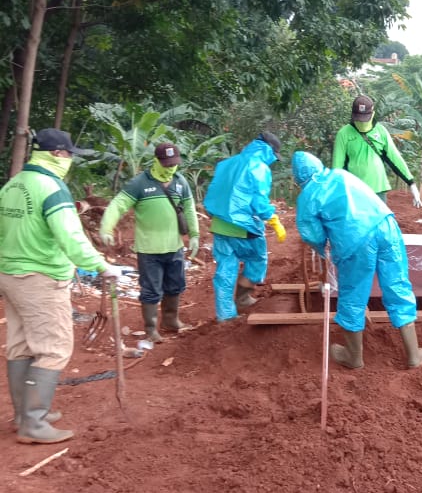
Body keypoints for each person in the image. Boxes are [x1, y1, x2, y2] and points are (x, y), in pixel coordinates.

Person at [0, 128, 122, 443]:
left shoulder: (13, 185)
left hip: (11, 275)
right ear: (57, 154)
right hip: (41, 277)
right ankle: (34, 424)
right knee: (54, 348)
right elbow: (70, 236)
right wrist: (102, 266)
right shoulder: (51, 188)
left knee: (21, 345)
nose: (69, 160)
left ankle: (24, 413)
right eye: (69, 154)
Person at [291, 151, 422, 369]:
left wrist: (323, 248)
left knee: (353, 295)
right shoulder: (340, 175)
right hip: (387, 226)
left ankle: (354, 358)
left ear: (297, 178)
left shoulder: (308, 195)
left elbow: (312, 235)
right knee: (398, 286)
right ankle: (413, 356)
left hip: (355, 239)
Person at [99, 142, 199, 342]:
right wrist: (106, 226)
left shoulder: (181, 182)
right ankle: (151, 329)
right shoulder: (140, 183)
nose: (170, 168)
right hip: (149, 249)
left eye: (174, 164)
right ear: (156, 161)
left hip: (174, 246)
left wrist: (195, 235)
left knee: (175, 285)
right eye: (166, 164)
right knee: (151, 289)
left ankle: (171, 321)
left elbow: (189, 208)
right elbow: (118, 204)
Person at [203, 133, 286, 321]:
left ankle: (225, 315)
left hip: (219, 224)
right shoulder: (259, 167)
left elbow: (214, 192)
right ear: (268, 151)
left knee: (225, 268)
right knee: (257, 259)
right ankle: (242, 298)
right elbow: (259, 202)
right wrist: (273, 219)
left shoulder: (226, 164)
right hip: (243, 225)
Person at [332, 95, 422, 206]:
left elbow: (395, 158)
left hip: (378, 190)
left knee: (379, 222)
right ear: (353, 115)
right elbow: (337, 166)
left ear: (372, 114)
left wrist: (411, 183)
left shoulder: (381, 131)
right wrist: (337, 192)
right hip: (354, 191)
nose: (362, 122)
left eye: (364, 119)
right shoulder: (344, 134)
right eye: (358, 119)